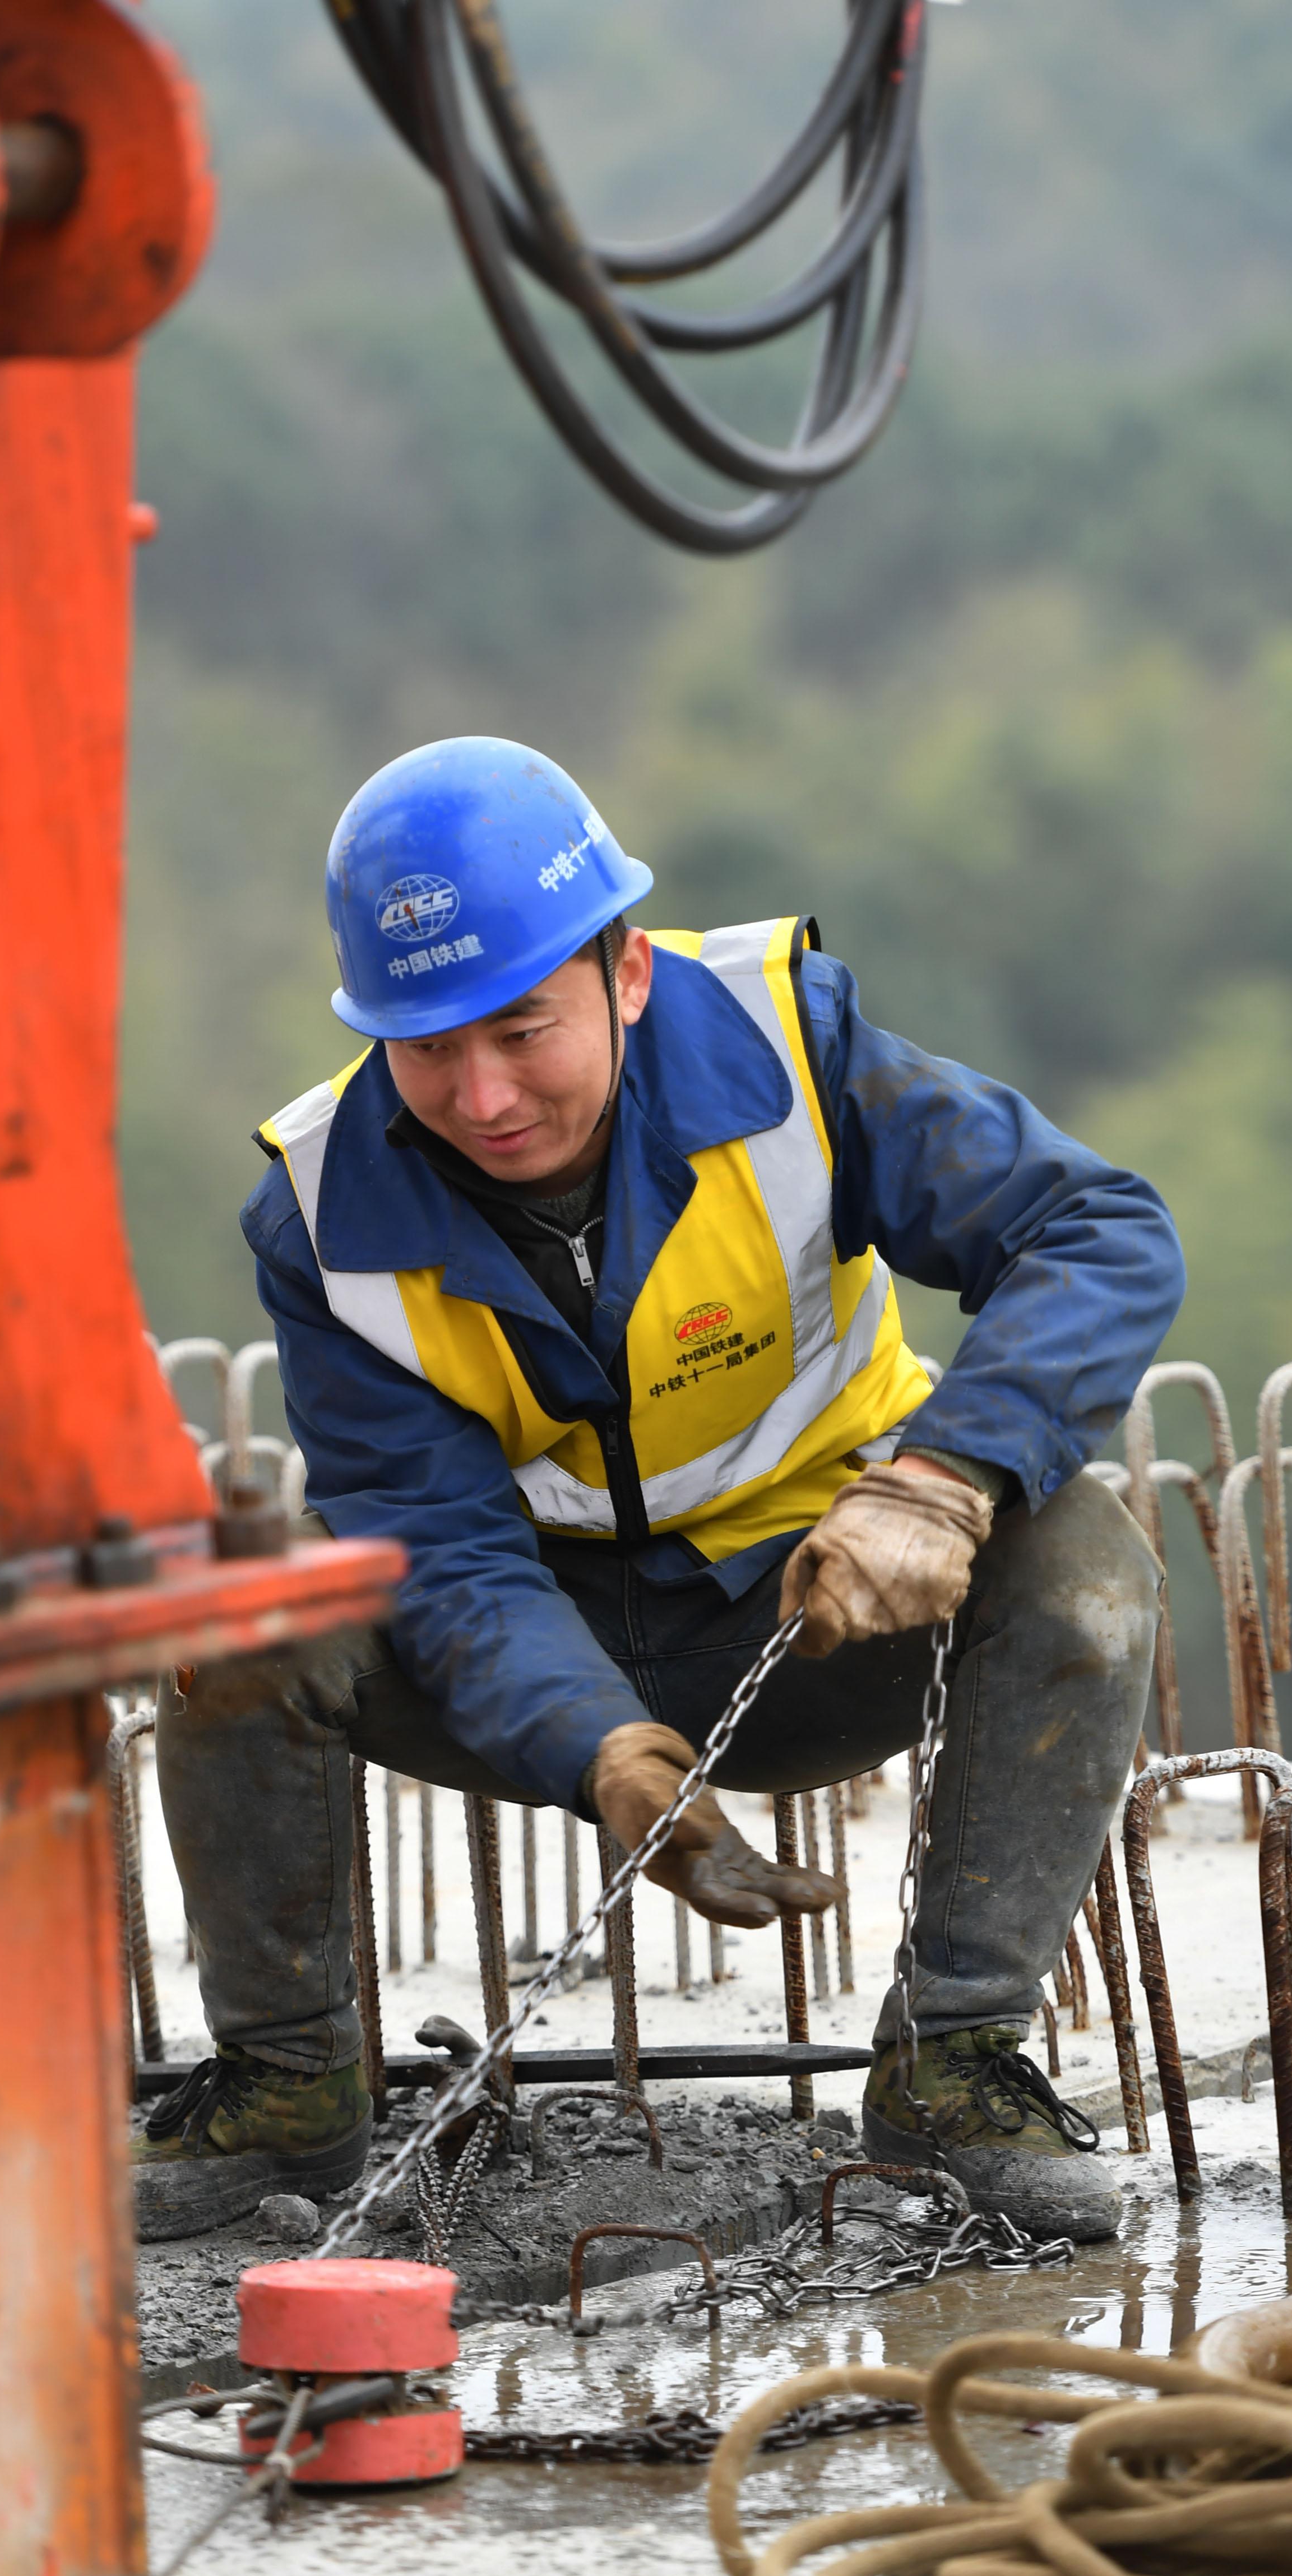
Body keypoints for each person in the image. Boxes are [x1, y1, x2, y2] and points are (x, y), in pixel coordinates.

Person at [135, 736, 1182, 2243]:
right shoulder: (321, 1213)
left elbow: (1099, 1229)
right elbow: (436, 1546)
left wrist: (943, 1480)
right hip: (518, 1648)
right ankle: (286, 2091)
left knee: (1079, 1563)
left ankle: (953, 2071)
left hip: (828, 1607)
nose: (482, 1096)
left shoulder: (790, 1053)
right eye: (427, 1050)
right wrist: (599, 1748)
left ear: (624, 973)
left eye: (521, 1030)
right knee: (247, 1625)